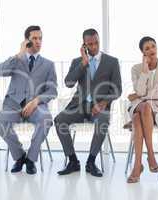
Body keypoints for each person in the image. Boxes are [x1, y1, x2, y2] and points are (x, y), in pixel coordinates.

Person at [55, 29, 122, 177]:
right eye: (90, 44)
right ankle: (73, 161)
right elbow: (69, 83)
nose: (94, 46)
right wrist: (83, 63)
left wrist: (103, 103)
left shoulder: (112, 62)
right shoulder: (77, 62)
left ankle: (91, 162)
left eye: (96, 42)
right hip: (78, 106)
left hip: (99, 107)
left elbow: (118, 89)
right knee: (59, 121)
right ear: (84, 45)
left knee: (103, 121)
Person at [0, 25, 57, 175]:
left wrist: (36, 101)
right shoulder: (17, 60)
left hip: (36, 107)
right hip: (13, 104)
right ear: (27, 41)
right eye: (34, 38)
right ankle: (19, 155)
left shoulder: (48, 64)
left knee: (46, 119)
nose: (38, 42)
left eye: (40, 38)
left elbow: (52, 90)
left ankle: (31, 159)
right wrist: (19, 53)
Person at [126, 36, 158, 183]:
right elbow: (139, 90)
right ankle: (151, 156)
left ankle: (137, 166)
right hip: (141, 106)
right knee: (143, 108)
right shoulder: (136, 69)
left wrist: (138, 96)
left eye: (153, 46)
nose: (151, 50)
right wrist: (145, 71)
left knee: (137, 118)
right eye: (147, 48)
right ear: (143, 53)